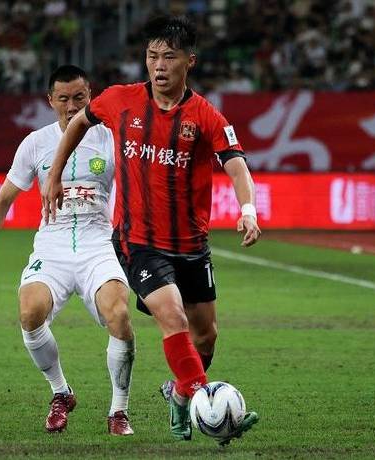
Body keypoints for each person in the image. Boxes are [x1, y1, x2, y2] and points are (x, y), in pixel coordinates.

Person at [42, 15, 260, 444]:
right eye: (152, 56)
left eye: (169, 57)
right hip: (138, 241)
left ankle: (179, 393)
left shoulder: (205, 116)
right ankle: (209, 403)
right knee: (172, 315)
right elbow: (79, 122)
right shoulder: (120, 100)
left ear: (189, 61)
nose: (159, 65)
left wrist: (248, 210)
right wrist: (54, 175)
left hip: (191, 245)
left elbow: (235, 163)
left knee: (206, 336)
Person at [0, 65, 135, 436]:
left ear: (91, 96)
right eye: (64, 99)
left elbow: (139, 185)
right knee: (29, 312)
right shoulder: (36, 143)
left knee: (120, 315)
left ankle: (118, 411)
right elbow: (3, 200)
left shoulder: (110, 138)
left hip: (97, 243)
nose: (72, 106)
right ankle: (61, 392)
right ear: (50, 101)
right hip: (52, 245)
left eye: (79, 97)